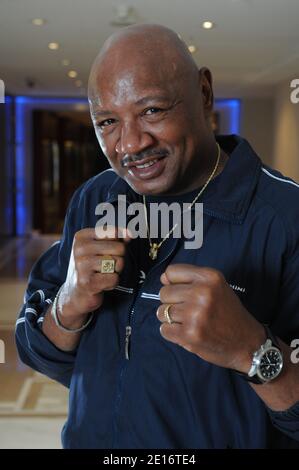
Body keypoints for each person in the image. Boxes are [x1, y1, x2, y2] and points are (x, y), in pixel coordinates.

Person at [16, 24, 299, 449]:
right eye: (107, 121)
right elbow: (40, 352)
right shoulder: (94, 198)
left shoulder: (287, 217)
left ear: (204, 94)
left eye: (152, 111)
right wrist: (69, 305)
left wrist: (251, 351)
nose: (130, 144)